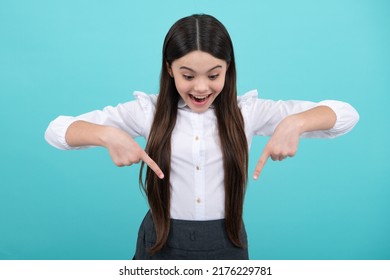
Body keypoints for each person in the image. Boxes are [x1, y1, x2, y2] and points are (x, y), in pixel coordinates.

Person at [44, 14, 359, 260]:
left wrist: (296, 123)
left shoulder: (248, 112)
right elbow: (56, 130)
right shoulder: (148, 111)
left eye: (213, 74)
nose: (200, 88)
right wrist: (106, 135)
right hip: (160, 241)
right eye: (187, 75)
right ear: (169, 70)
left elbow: (345, 115)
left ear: (227, 68)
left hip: (228, 242)